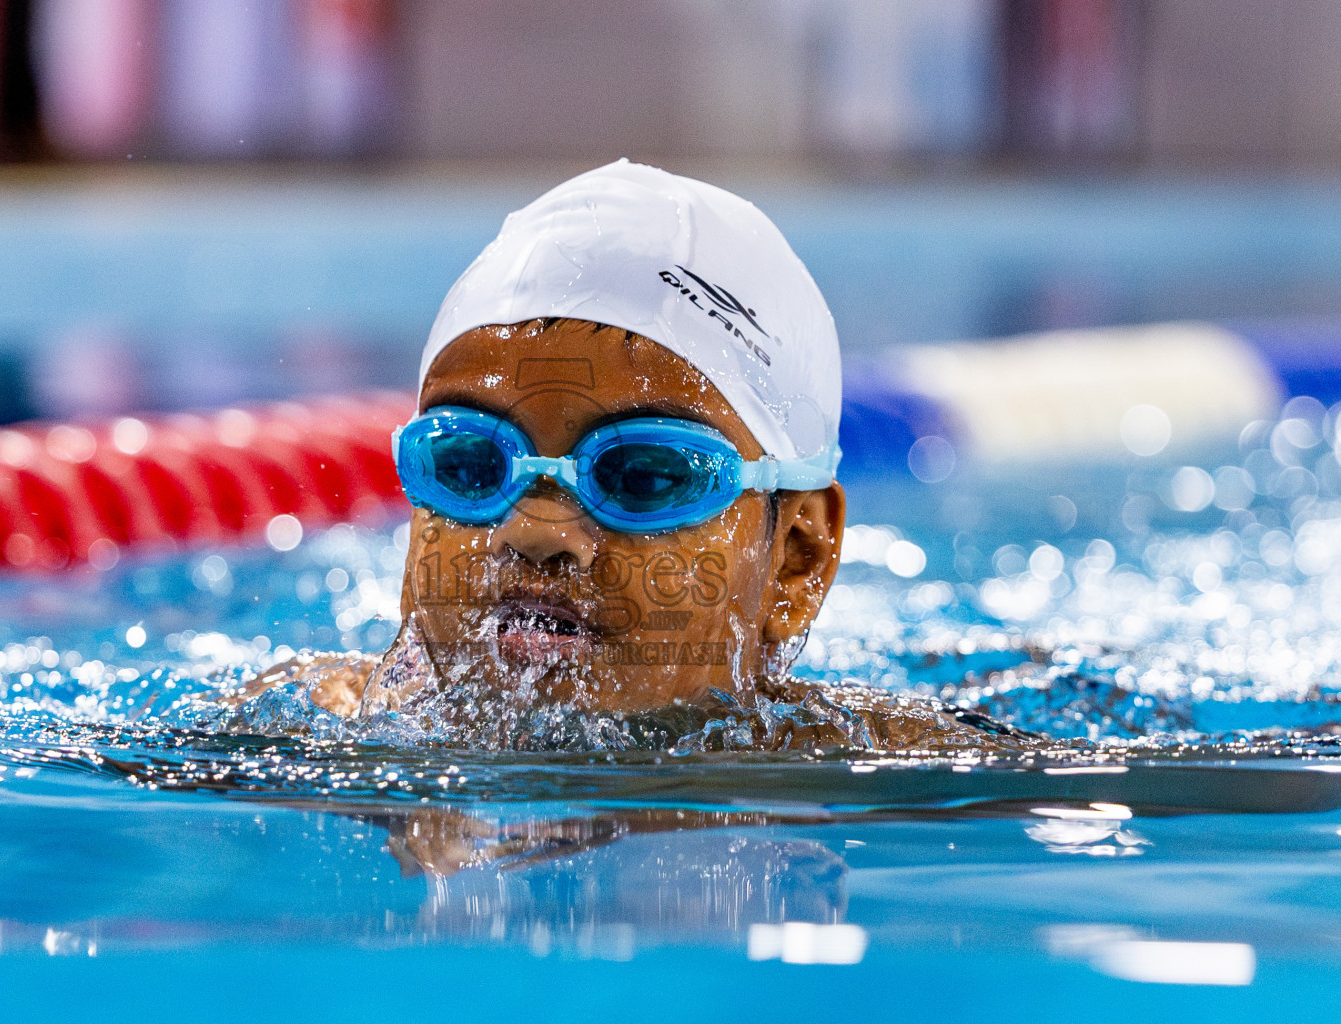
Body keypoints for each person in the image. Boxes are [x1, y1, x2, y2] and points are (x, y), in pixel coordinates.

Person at [234, 160, 1034, 754]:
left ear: (795, 558)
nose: (537, 531)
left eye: (646, 475)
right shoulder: (306, 730)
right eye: (471, 465)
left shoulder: (906, 768)